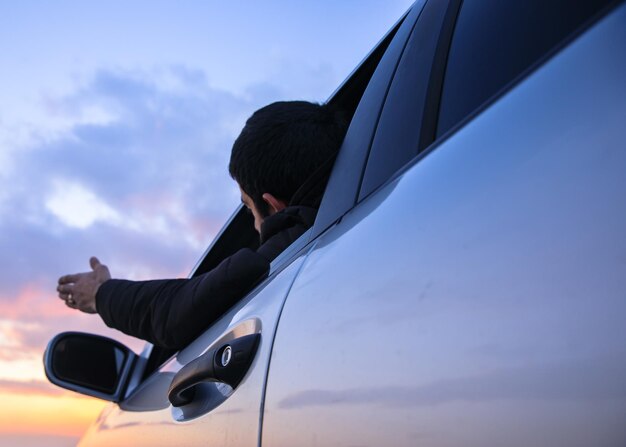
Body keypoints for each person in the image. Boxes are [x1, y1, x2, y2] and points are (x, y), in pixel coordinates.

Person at [56, 101, 347, 350]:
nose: (257, 228)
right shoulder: (348, 216)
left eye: (248, 209)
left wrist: (101, 294)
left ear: (273, 205)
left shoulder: (287, 250)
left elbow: (175, 312)